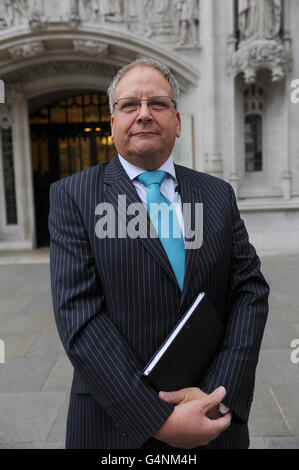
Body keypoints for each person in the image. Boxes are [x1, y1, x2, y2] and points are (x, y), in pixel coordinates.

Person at [49, 58, 269, 449]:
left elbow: (250, 291)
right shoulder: (73, 196)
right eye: (130, 104)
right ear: (112, 122)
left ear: (178, 122)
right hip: (113, 424)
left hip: (211, 417)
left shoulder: (218, 194)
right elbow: (79, 318)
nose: (144, 114)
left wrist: (221, 394)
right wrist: (158, 420)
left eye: (159, 104)